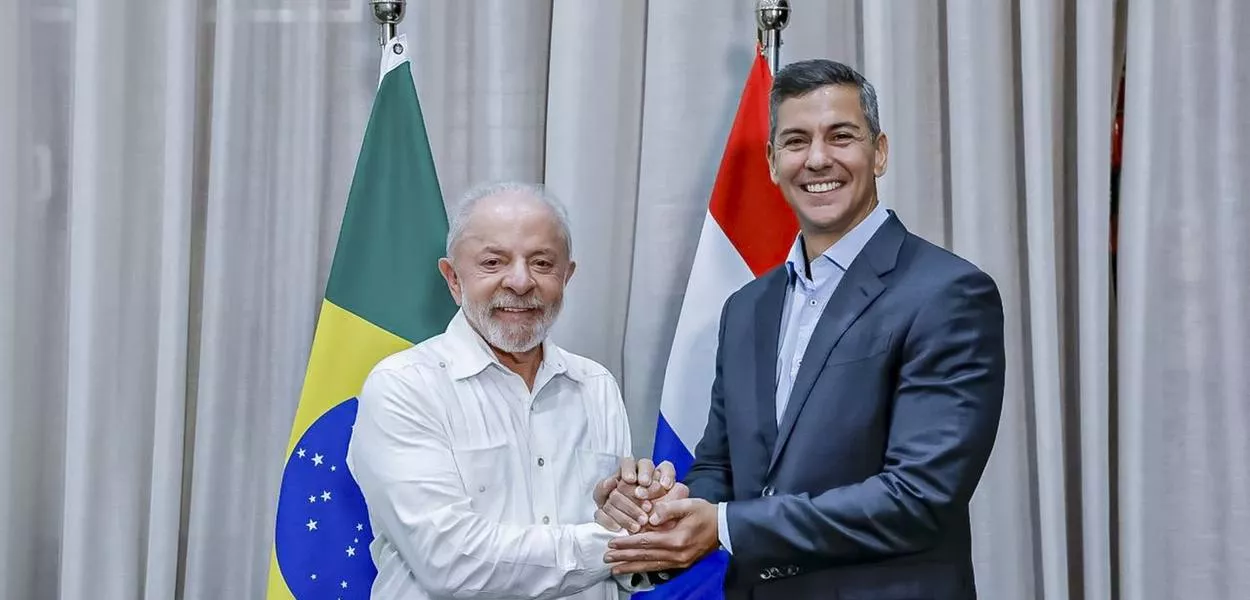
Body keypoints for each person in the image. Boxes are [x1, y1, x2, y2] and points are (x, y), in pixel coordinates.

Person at [599, 59, 1007, 600]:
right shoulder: (747, 307)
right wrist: (657, 512)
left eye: (841, 136)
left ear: (879, 151)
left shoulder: (948, 293)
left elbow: (919, 497)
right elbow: (722, 468)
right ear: (772, 162)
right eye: (795, 141)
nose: (817, 159)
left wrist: (723, 526)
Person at [346, 181, 667, 599]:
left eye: (542, 263)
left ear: (567, 276)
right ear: (453, 279)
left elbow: (620, 568)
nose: (519, 282)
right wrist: (618, 545)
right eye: (494, 262)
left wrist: (648, 519)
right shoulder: (405, 386)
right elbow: (453, 562)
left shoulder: (596, 385)